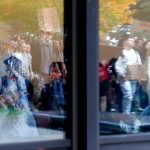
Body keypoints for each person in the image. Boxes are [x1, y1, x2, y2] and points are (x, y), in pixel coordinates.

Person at [115, 36, 142, 114]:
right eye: (130, 40)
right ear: (125, 41)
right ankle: (126, 114)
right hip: (124, 77)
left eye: (133, 40)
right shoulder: (121, 51)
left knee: (131, 96)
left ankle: (126, 113)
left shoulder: (136, 52)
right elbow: (117, 65)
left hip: (133, 76)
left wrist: (139, 77)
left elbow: (139, 65)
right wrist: (122, 75)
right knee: (128, 96)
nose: (132, 42)